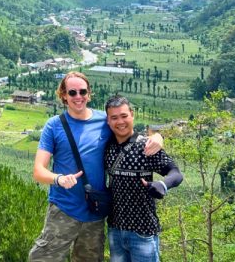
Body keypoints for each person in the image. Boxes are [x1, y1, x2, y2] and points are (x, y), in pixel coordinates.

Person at [29, 72, 164, 262]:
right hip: (63, 209)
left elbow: (129, 132)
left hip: (95, 212)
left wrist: (158, 137)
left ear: (89, 94)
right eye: (72, 92)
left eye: (82, 91)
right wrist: (58, 179)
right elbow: (38, 171)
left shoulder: (104, 120)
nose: (78, 97)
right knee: (42, 258)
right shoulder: (54, 126)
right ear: (64, 96)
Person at [104, 96, 183, 262]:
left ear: (132, 115)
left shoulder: (146, 146)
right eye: (114, 117)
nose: (120, 122)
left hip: (142, 231)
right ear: (108, 121)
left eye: (124, 116)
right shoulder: (107, 147)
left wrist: (163, 184)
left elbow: (176, 173)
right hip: (115, 229)